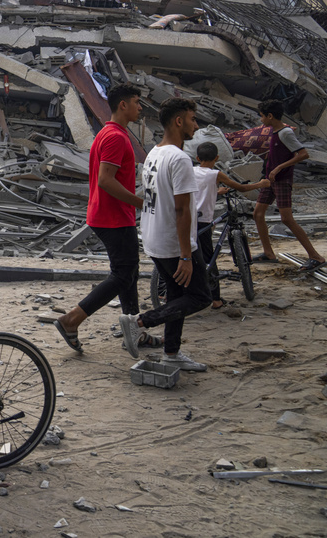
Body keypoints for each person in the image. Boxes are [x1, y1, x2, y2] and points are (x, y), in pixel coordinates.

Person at [53, 84, 151, 353]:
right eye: (136, 102)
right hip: (113, 217)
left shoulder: (108, 133)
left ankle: (134, 330)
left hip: (112, 215)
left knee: (128, 272)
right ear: (123, 105)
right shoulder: (115, 137)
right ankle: (71, 319)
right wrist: (143, 203)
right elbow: (106, 180)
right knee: (123, 274)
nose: (140, 107)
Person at [121, 98, 212, 372]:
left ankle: (171, 353)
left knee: (176, 297)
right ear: (179, 121)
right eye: (193, 119)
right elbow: (183, 210)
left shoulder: (154, 153)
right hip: (174, 244)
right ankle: (140, 323)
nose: (196, 125)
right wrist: (186, 254)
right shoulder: (180, 158)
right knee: (200, 296)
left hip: (154, 237)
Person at [192, 141, 270, 308]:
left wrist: (216, 191)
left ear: (197, 158)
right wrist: (260, 184)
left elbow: (198, 188)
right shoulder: (216, 174)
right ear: (217, 157)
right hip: (202, 220)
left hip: (187, 218)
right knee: (209, 258)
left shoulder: (191, 170)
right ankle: (216, 300)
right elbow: (241, 188)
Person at [250, 100, 324, 270]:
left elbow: (303, 154)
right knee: (258, 214)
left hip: (282, 180)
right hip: (270, 180)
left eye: (262, 116)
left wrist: (279, 167)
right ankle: (268, 253)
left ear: (270, 116)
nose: (261, 120)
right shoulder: (278, 130)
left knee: (287, 219)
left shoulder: (285, 133)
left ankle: (316, 257)